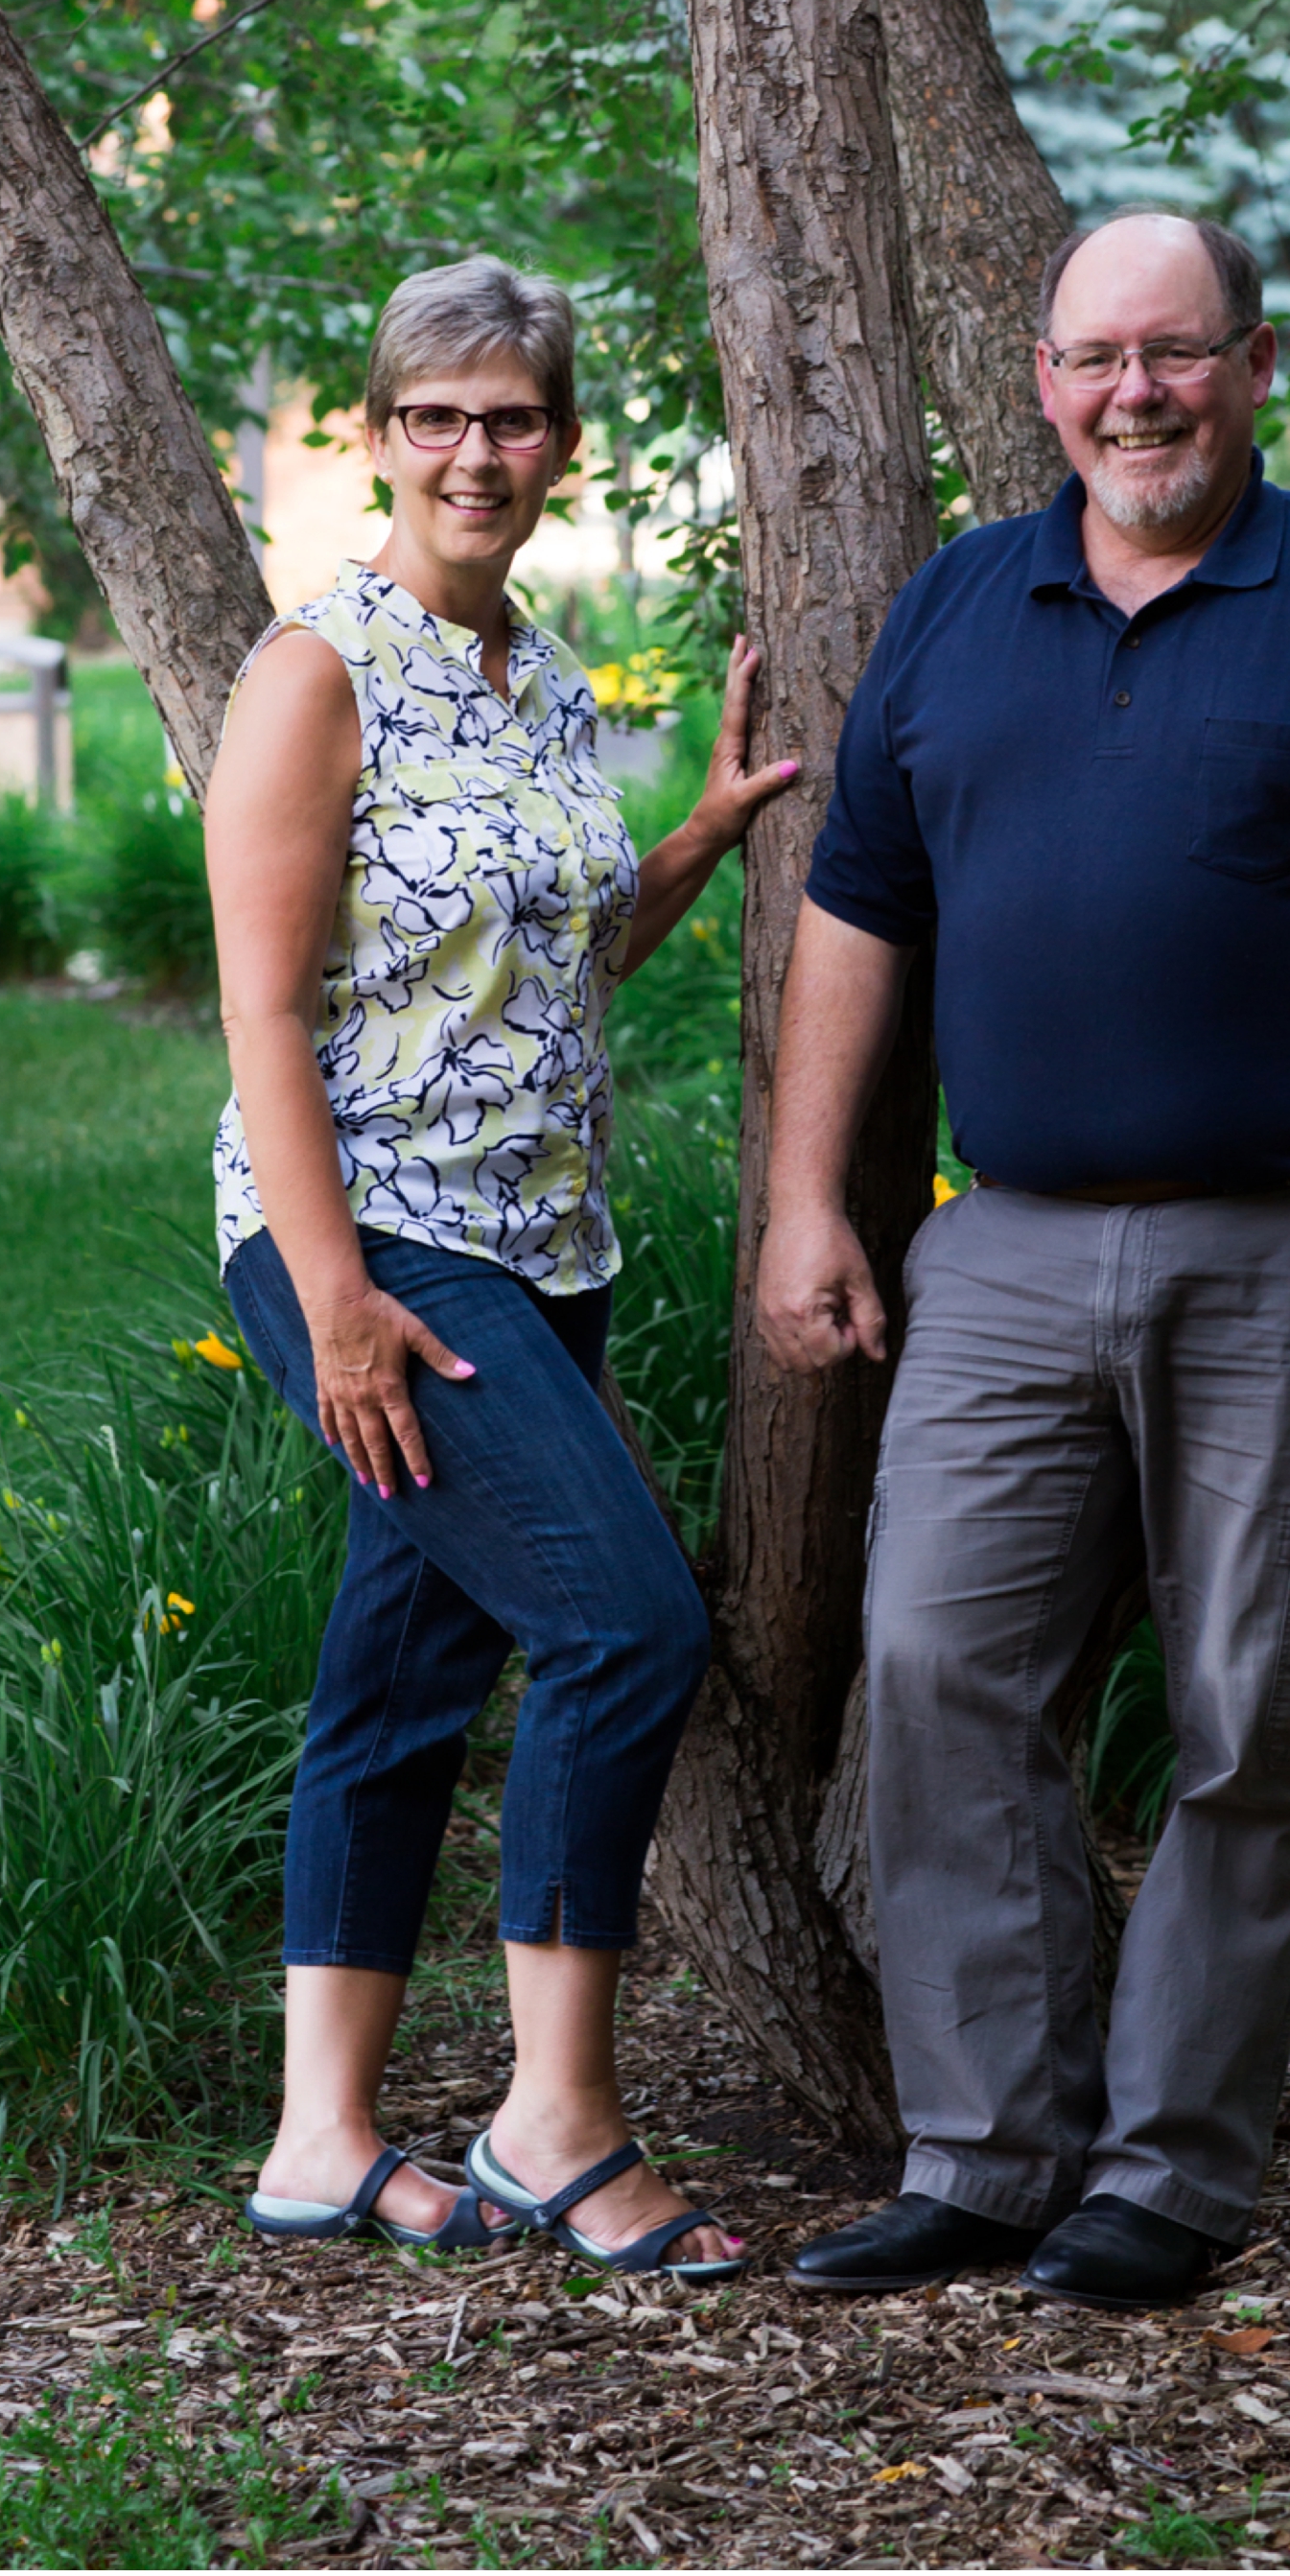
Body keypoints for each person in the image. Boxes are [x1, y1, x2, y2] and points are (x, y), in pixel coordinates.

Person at [762, 211, 1290, 2311]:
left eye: (1178, 353)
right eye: (1095, 359)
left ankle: (1172, 2176)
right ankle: (985, 2152)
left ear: (1251, 366)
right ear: (1043, 383)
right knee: (944, 1677)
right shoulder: (965, 602)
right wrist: (805, 1199)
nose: (1135, 394)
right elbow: (858, 912)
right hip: (1005, 1255)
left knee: (1251, 1714)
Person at [206, 253, 794, 2274]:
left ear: (562, 446)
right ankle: (556, 2122)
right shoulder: (316, 673)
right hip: (377, 1247)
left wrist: (702, 834)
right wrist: (341, 1294)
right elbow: (266, 1014)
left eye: (514, 417)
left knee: (404, 1672)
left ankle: (318, 2139)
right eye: (435, 416)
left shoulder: (543, 677)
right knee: (629, 1624)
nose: (477, 450)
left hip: (543, 1246)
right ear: (375, 439)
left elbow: (547, 965)